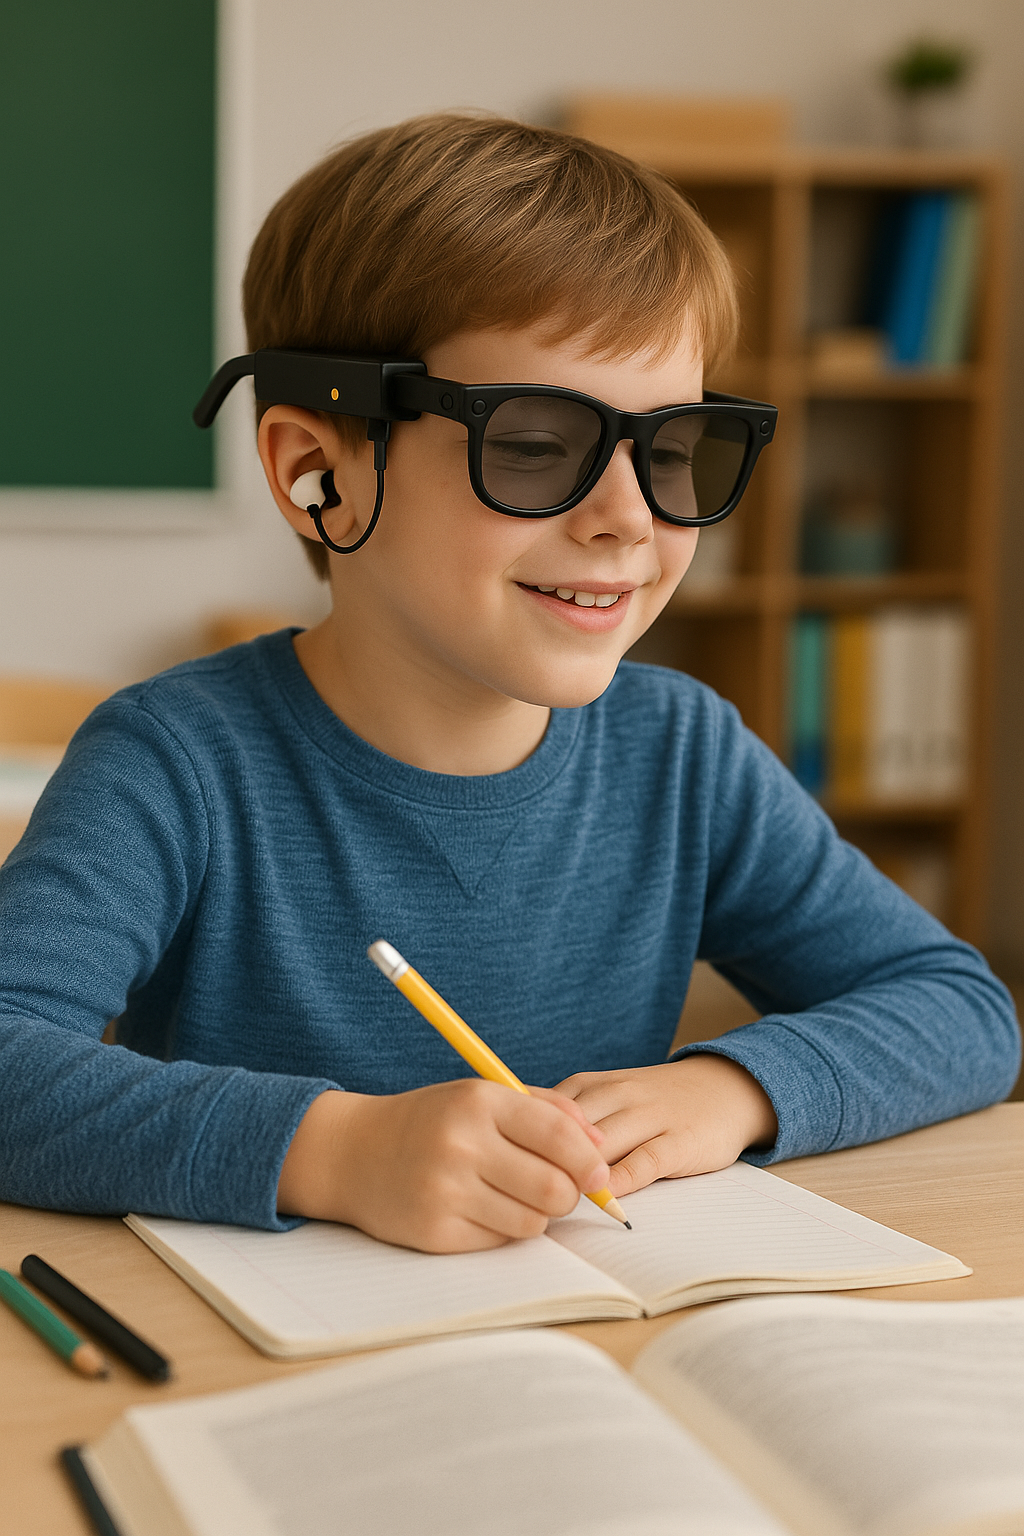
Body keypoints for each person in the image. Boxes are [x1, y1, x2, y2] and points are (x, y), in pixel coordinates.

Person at [0, 114, 1017, 1254]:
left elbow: (959, 1008)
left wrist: (733, 1090)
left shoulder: (681, 752)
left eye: (671, 449)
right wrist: (331, 1150)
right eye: (534, 444)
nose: (629, 518)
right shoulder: (174, 761)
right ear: (314, 470)